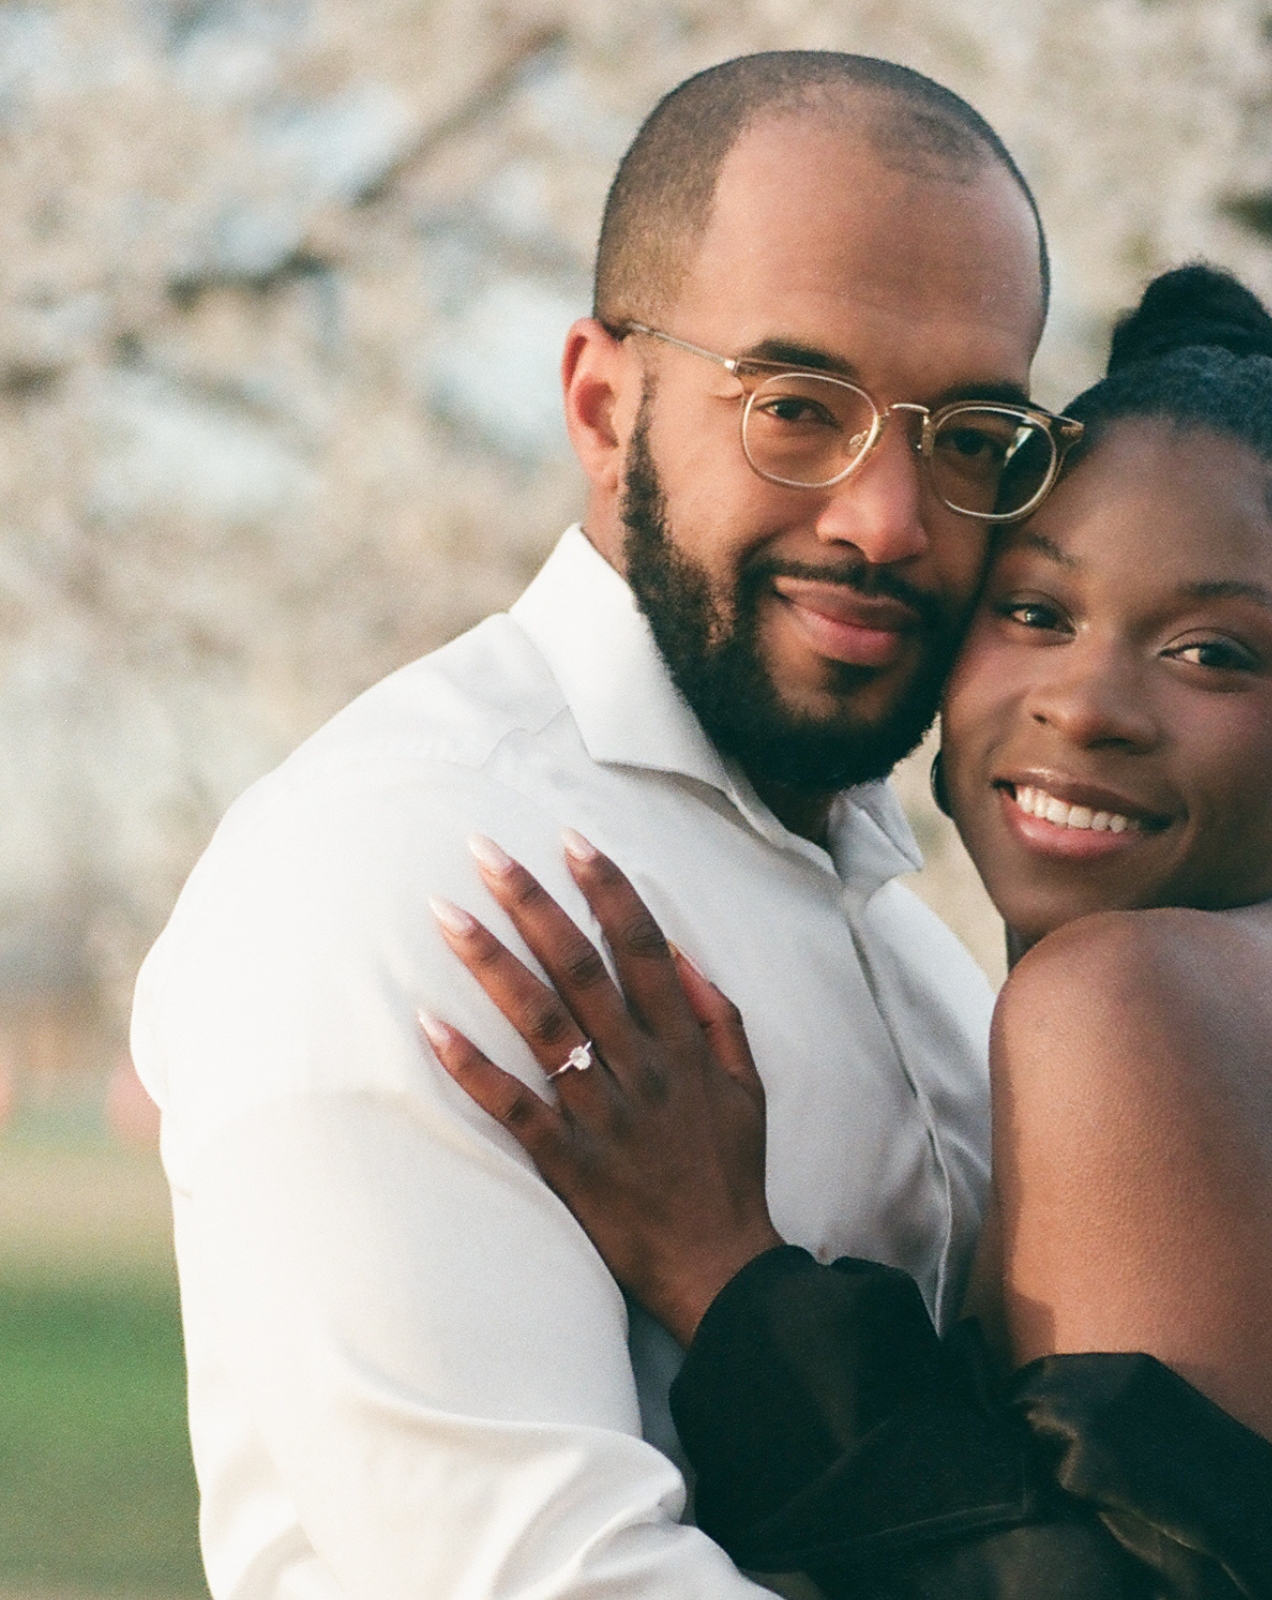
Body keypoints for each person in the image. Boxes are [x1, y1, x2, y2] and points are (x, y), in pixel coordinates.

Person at [424, 267, 1272, 1598]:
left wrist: (727, 1281)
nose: (1089, 706)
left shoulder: (1124, 996)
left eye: (1210, 654)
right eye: (1036, 613)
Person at [131, 52, 1058, 1598]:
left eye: (968, 435)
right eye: (795, 407)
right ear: (601, 403)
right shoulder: (402, 869)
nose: (887, 516)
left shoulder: (917, 940)